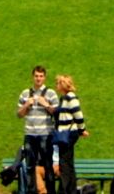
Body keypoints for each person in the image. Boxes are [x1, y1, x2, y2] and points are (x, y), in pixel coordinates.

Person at [17, 66, 59, 194]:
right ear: (33, 77)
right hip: (30, 134)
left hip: (45, 134)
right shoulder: (25, 94)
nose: (38, 79)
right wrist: (26, 105)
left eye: (41, 76)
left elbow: (57, 113)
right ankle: (31, 191)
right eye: (36, 76)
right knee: (30, 166)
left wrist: (46, 104)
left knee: (48, 165)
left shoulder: (50, 93)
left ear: (44, 77)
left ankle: (50, 191)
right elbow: (19, 114)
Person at [53, 75, 86, 194]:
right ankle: (71, 190)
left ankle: (63, 190)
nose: (56, 86)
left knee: (64, 164)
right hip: (66, 134)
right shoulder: (64, 98)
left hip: (67, 134)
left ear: (63, 85)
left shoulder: (71, 98)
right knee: (69, 163)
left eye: (58, 83)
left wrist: (82, 129)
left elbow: (78, 115)